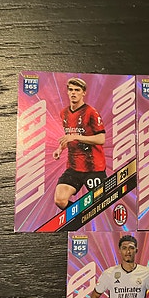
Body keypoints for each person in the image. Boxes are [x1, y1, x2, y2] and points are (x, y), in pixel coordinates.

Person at [53, 77, 107, 210]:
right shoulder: (64, 113)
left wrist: (76, 137)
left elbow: (101, 139)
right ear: (67, 92)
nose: (73, 93)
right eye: (71, 90)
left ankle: (88, 215)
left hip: (93, 168)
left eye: (77, 90)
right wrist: (60, 149)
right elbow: (69, 137)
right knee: (60, 200)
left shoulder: (91, 112)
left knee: (102, 203)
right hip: (73, 167)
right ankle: (80, 216)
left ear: (84, 93)